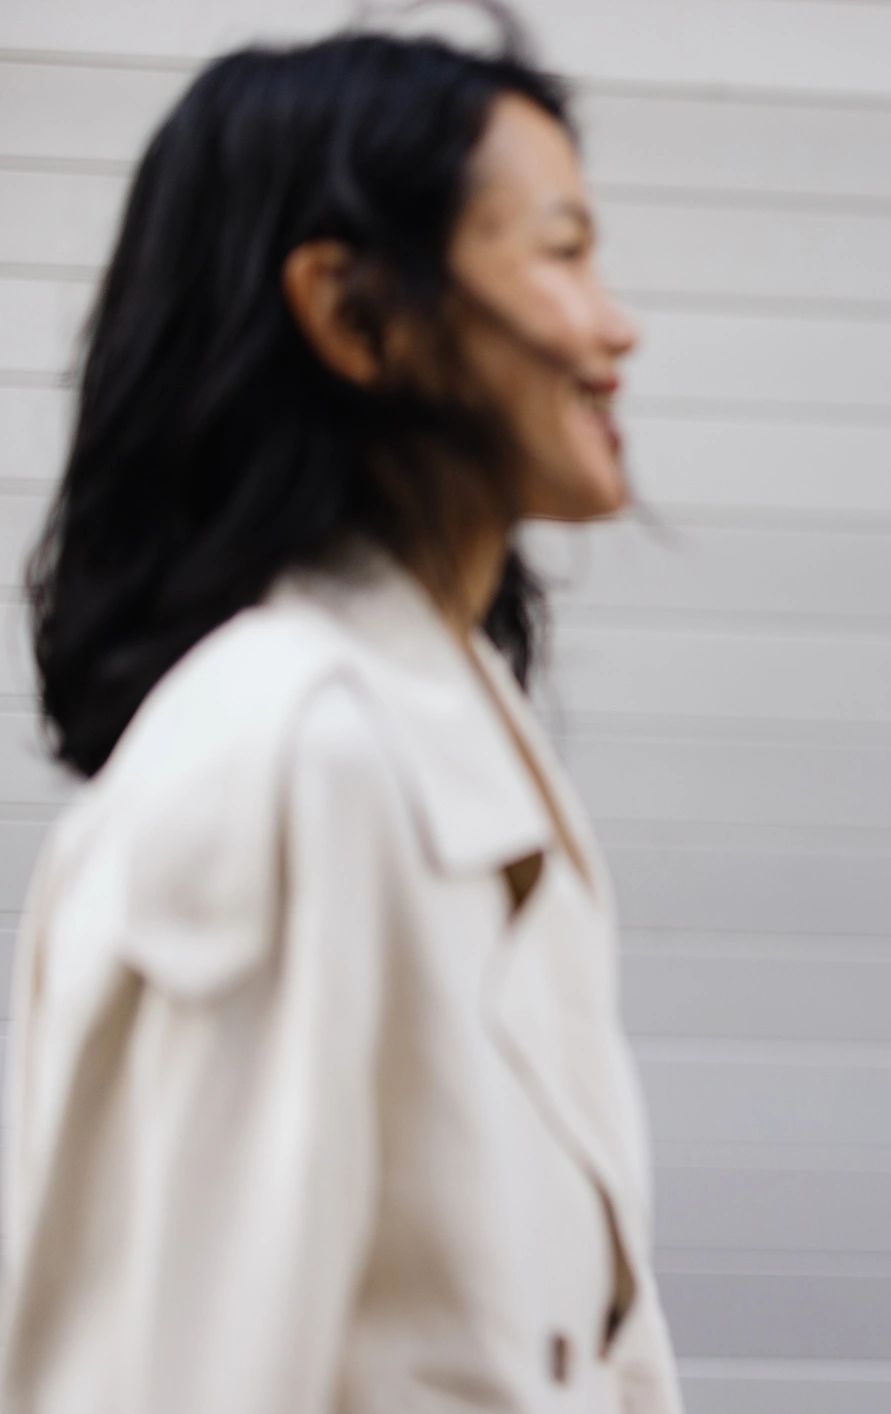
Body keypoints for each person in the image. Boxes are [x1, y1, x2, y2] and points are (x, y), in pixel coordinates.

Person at [0, 18, 682, 1412]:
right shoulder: (287, 753)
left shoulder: (446, 714)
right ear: (352, 313)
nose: (618, 324)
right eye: (559, 253)